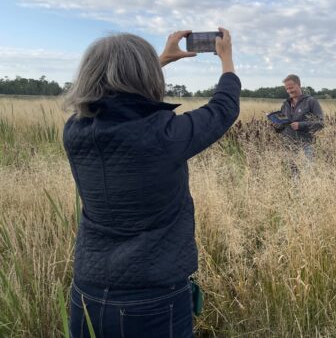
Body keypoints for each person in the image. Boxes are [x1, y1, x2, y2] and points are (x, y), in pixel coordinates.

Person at [62, 28, 240, 337]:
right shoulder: (164, 134)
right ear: (144, 77)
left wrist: (161, 60)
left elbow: (112, 95)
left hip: (86, 294)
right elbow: (223, 108)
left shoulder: (75, 131)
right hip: (153, 298)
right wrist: (227, 60)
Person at [274, 74, 324, 160]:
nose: (289, 91)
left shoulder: (311, 102)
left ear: (299, 85)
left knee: (307, 173)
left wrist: (300, 125)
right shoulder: (285, 104)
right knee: (292, 173)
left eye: (291, 88)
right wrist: (277, 126)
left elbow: (320, 123)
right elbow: (283, 126)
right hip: (289, 146)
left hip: (306, 145)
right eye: (287, 89)